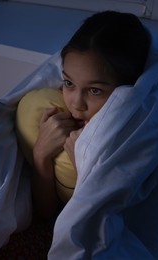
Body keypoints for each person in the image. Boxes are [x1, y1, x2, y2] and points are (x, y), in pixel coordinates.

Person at [31, 11, 151, 220]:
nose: (76, 103)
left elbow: (99, 230)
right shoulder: (60, 118)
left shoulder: (139, 142)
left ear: (127, 93)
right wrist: (41, 155)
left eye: (95, 90)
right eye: (69, 83)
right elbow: (45, 214)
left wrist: (86, 170)